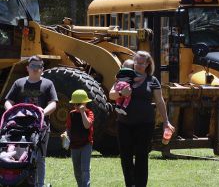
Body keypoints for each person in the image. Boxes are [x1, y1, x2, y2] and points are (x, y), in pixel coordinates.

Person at [109, 51, 175, 187]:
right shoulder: (124, 76)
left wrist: (166, 121)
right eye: (136, 62)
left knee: (142, 157)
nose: (138, 65)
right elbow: (111, 95)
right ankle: (130, 184)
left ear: (147, 64)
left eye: (141, 63)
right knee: (126, 157)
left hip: (145, 124)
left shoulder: (152, 80)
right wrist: (121, 93)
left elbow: (160, 101)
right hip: (124, 124)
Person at [3, 55, 58, 187]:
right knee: (16, 153)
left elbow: (53, 103)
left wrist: (42, 113)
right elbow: (8, 101)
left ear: (42, 69)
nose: (35, 69)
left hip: (41, 127)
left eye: (39, 66)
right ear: (27, 68)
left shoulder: (48, 84)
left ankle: (39, 184)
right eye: (33, 66)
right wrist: (12, 112)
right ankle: (17, 181)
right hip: (19, 126)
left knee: (39, 158)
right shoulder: (19, 83)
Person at [66, 89, 94, 187]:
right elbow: (68, 128)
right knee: (77, 170)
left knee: (85, 169)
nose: (75, 106)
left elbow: (87, 125)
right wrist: (65, 134)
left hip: (86, 144)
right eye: (74, 104)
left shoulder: (89, 113)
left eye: (77, 104)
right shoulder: (71, 114)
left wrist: (82, 113)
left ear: (84, 103)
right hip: (74, 146)